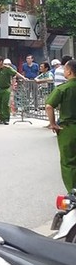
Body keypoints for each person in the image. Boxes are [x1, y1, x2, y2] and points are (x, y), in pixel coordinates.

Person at [45, 58, 76, 192]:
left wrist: (53, 124)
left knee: (68, 162)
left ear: (69, 71)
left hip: (68, 128)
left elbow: (49, 106)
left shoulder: (63, 88)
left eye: (65, 69)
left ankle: (72, 192)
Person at [0, 56, 25, 125]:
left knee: (5, 104)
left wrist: (24, 78)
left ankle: (6, 119)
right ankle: (1, 119)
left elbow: (15, 73)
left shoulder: (7, 69)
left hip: (5, 89)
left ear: (1, 62)